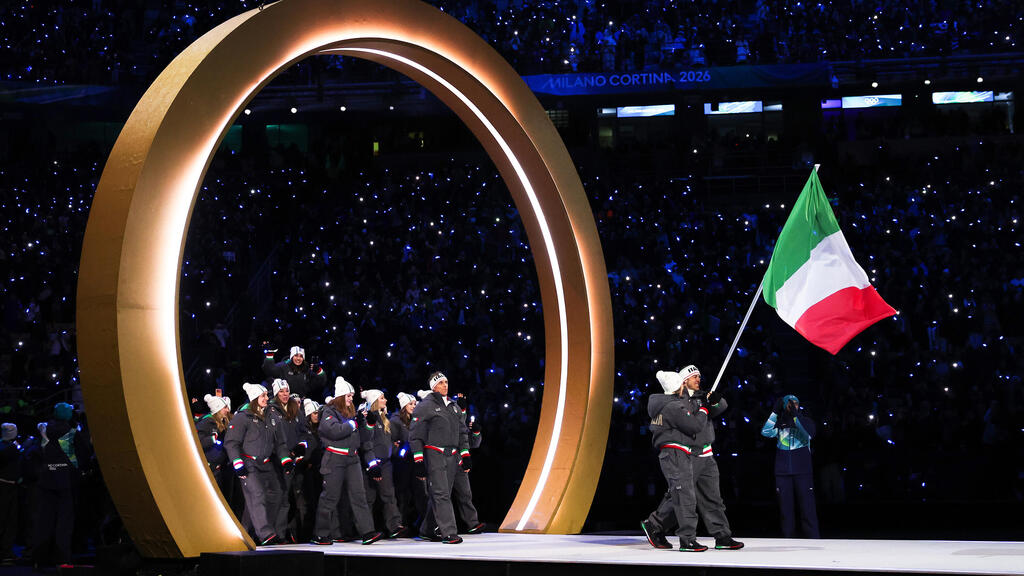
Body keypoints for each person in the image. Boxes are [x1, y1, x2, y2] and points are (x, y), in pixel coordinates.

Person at [641, 366, 743, 552]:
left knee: (712, 498)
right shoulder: (677, 400)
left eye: (699, 375)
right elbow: (692, 424)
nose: (698, 379)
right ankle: (656, 524)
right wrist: (703, 405)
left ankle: (722, 535)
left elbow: (721, 407)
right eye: (694, 376)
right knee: (682, 495)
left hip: (705, 452)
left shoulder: (699, 396)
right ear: (683, 380)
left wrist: (715, 400)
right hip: (687, 453)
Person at [310, 377, 383, 546]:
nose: (351, 398)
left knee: (359, 496)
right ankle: (320, 533)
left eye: (351, 396)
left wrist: (369, 425)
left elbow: (364, 438)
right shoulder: (329, 412)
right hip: (334, 458)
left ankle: (367, 532)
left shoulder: (352, 414)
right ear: (340, 396)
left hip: (352, 459)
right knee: (330, 497)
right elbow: (333, 431)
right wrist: (353, 424)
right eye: (348, 396)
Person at [224, 382, 292, 546]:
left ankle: (248, 532)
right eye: (263, 396)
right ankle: (265, 533)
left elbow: (280, 443)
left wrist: (286, 460)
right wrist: (237, 463)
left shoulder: (272, 415)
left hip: (266, 463)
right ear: (255, 398)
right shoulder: (242, 417)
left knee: (276, 493)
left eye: (267, 395)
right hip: (249, 463)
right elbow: (231, 442)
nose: (267, 398)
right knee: (257, 495)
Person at [410, 372, 470, 544]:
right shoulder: (425, 406)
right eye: (441, 382)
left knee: (442, 494)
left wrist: (465, 454)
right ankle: (449, 532)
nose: (445, 385)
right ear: (433, 386)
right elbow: (415, 435)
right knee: (441, 494)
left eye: (446, 381)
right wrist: (419, 460)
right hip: (434, 453)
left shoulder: (453, 406)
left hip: (451, 455)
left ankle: (427, 529)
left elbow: (462, 431)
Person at [33, 402, 89, 567]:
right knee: (64, 523)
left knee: (43, 521)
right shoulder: (71, 433)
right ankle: (62, 560)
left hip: (45, 480)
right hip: (65, 481)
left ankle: (39, 559)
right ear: (68, 415)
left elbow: (37, 453)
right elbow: (83, 457)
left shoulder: (44, 431)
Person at [762, 394, 820, 538]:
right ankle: (788, 540)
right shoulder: (780, 424)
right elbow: (765, 432)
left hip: (803, 471)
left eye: (795, 403)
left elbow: (809, 433)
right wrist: (775, 412)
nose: (792, 406)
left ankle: (814, 540)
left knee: (808, 509)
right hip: (782, 473)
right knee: (785, 512)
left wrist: (795, 415)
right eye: (789, 403)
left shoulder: (806, 421)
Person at [358, 389, 407, 538]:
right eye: (382, 398)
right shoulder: (368, 419)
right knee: (369, 498)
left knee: (389, 495)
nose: (385, 400)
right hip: (372, 464)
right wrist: (372, 464)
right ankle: (365, 530)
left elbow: (385, 443)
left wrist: (394, 448)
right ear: (374, 401)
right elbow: (366, 443)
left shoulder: (385, 418)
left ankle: (394, 526)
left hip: (386, 464)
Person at [267, 379, 309, 542]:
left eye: (286, 391)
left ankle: (280, 534)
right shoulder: (270, 410)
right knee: (276, 497)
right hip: (275, 461)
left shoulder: (295, 409)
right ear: (276, 393)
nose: (285, 394)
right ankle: (268, 533)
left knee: (285, 499)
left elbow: (304, 432)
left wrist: (301, 445)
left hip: (292, 461)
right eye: (281, 391)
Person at [390, 392, 426, 534]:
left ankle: (422, 524)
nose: (413, 406)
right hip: (402, 463)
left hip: (416, 461)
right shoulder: (395, 421)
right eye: (411, 404)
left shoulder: (416, 419)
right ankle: (401, 524)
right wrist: (400, 449)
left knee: (420, 494)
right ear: (404, 406)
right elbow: (392, 441)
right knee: (403, 495)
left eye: (415, 404)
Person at [450, 394, 485, 534]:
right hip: (442, 460)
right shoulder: (443, 419)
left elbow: (472, 443)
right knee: (441, 496)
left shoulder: (461, 423)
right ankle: (430, 526)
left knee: (465, 493)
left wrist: (476, 432)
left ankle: (472, 523)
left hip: (459, 461)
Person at [195, 393, 231, 491]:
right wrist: (213, 439)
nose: (227, 410)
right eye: (225, 408)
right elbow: (197, 442)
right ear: (218, 409)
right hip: (208, 469)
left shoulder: (220, 423)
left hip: (217, 468)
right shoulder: (207, 422)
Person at [262, 344, 326, 399]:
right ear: (292, 356)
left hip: (299, 403)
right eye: (296, 355)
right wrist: (270, 353)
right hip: (283, 401)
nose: (298, 358)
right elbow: (269, 370)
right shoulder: (283, 366)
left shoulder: (306, 369)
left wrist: (319, 371)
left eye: (301, 356)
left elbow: (321, 382)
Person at [0, 423, 21, 564]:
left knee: (11, 521)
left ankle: (7, 550)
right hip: (3, 486)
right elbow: (5, 455)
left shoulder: (13, 447)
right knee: (4, 520)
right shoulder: (7, 448)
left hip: (13, 486)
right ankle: (4, 552)